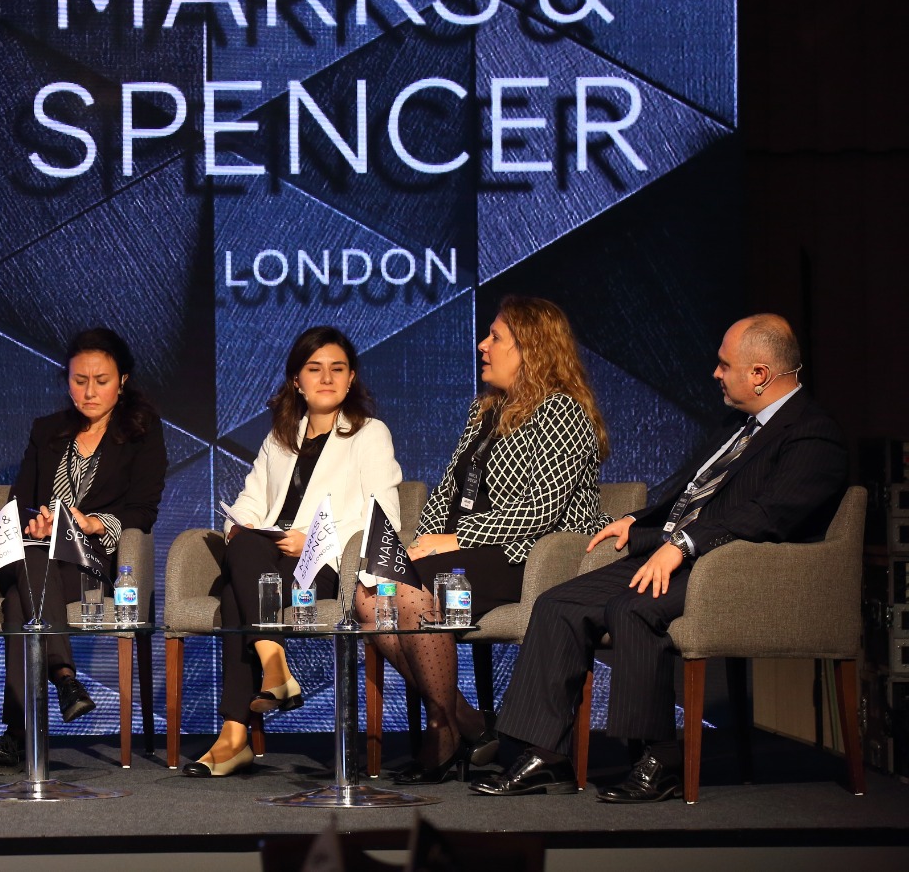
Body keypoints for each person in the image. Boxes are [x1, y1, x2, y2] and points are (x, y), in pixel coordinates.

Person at [473, 313, 848, 802]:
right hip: (681, 554)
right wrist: (639, 521)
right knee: (557, 604)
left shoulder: (812, 434)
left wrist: (684, 544)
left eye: (724, 365)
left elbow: (770, 514)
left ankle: (659, 759)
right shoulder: (737, 426)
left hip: (734, 567)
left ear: (760, 373)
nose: (715, 373)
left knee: (633, 608)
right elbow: (692, 491)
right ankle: (546, 755)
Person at [355, 296, 609, 784]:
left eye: (496, 337)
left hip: (524, 554)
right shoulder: (485, 409)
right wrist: (421, 540)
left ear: (531, 348)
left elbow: (540, 512)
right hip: (468, 551)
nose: (482, 345)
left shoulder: (562, 412)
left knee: (407, 591)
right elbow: (448, 491)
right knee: (371, 593)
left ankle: (443, 731)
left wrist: (453, 539)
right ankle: (466, 721)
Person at [182, 325, 402, 778]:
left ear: (351, 378)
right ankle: (271, 667)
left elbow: (385, 518)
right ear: (296, 381)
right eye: (314, 369)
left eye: (337, 369)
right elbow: (248, 503)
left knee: (235, 590)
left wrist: (313, 538)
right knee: (243, 545)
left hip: (324, 563)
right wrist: (242, 526)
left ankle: (236, 732)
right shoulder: (280, 437)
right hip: (268, 557)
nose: (326, 378)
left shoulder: (369, 434)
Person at [0, 327, 168, 775]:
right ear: (67, 381)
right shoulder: (47, 431)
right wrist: (37, 521)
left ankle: (18, 734)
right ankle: (64, 678)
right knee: (33, 555)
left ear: (122, 380)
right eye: (80, 380)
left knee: (20, 604)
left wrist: (94, 522)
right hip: (38, 552)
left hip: (90, 562)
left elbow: (144, 510)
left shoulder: (142, 433)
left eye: (101, 380)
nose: (90, 391)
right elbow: (20, 501)